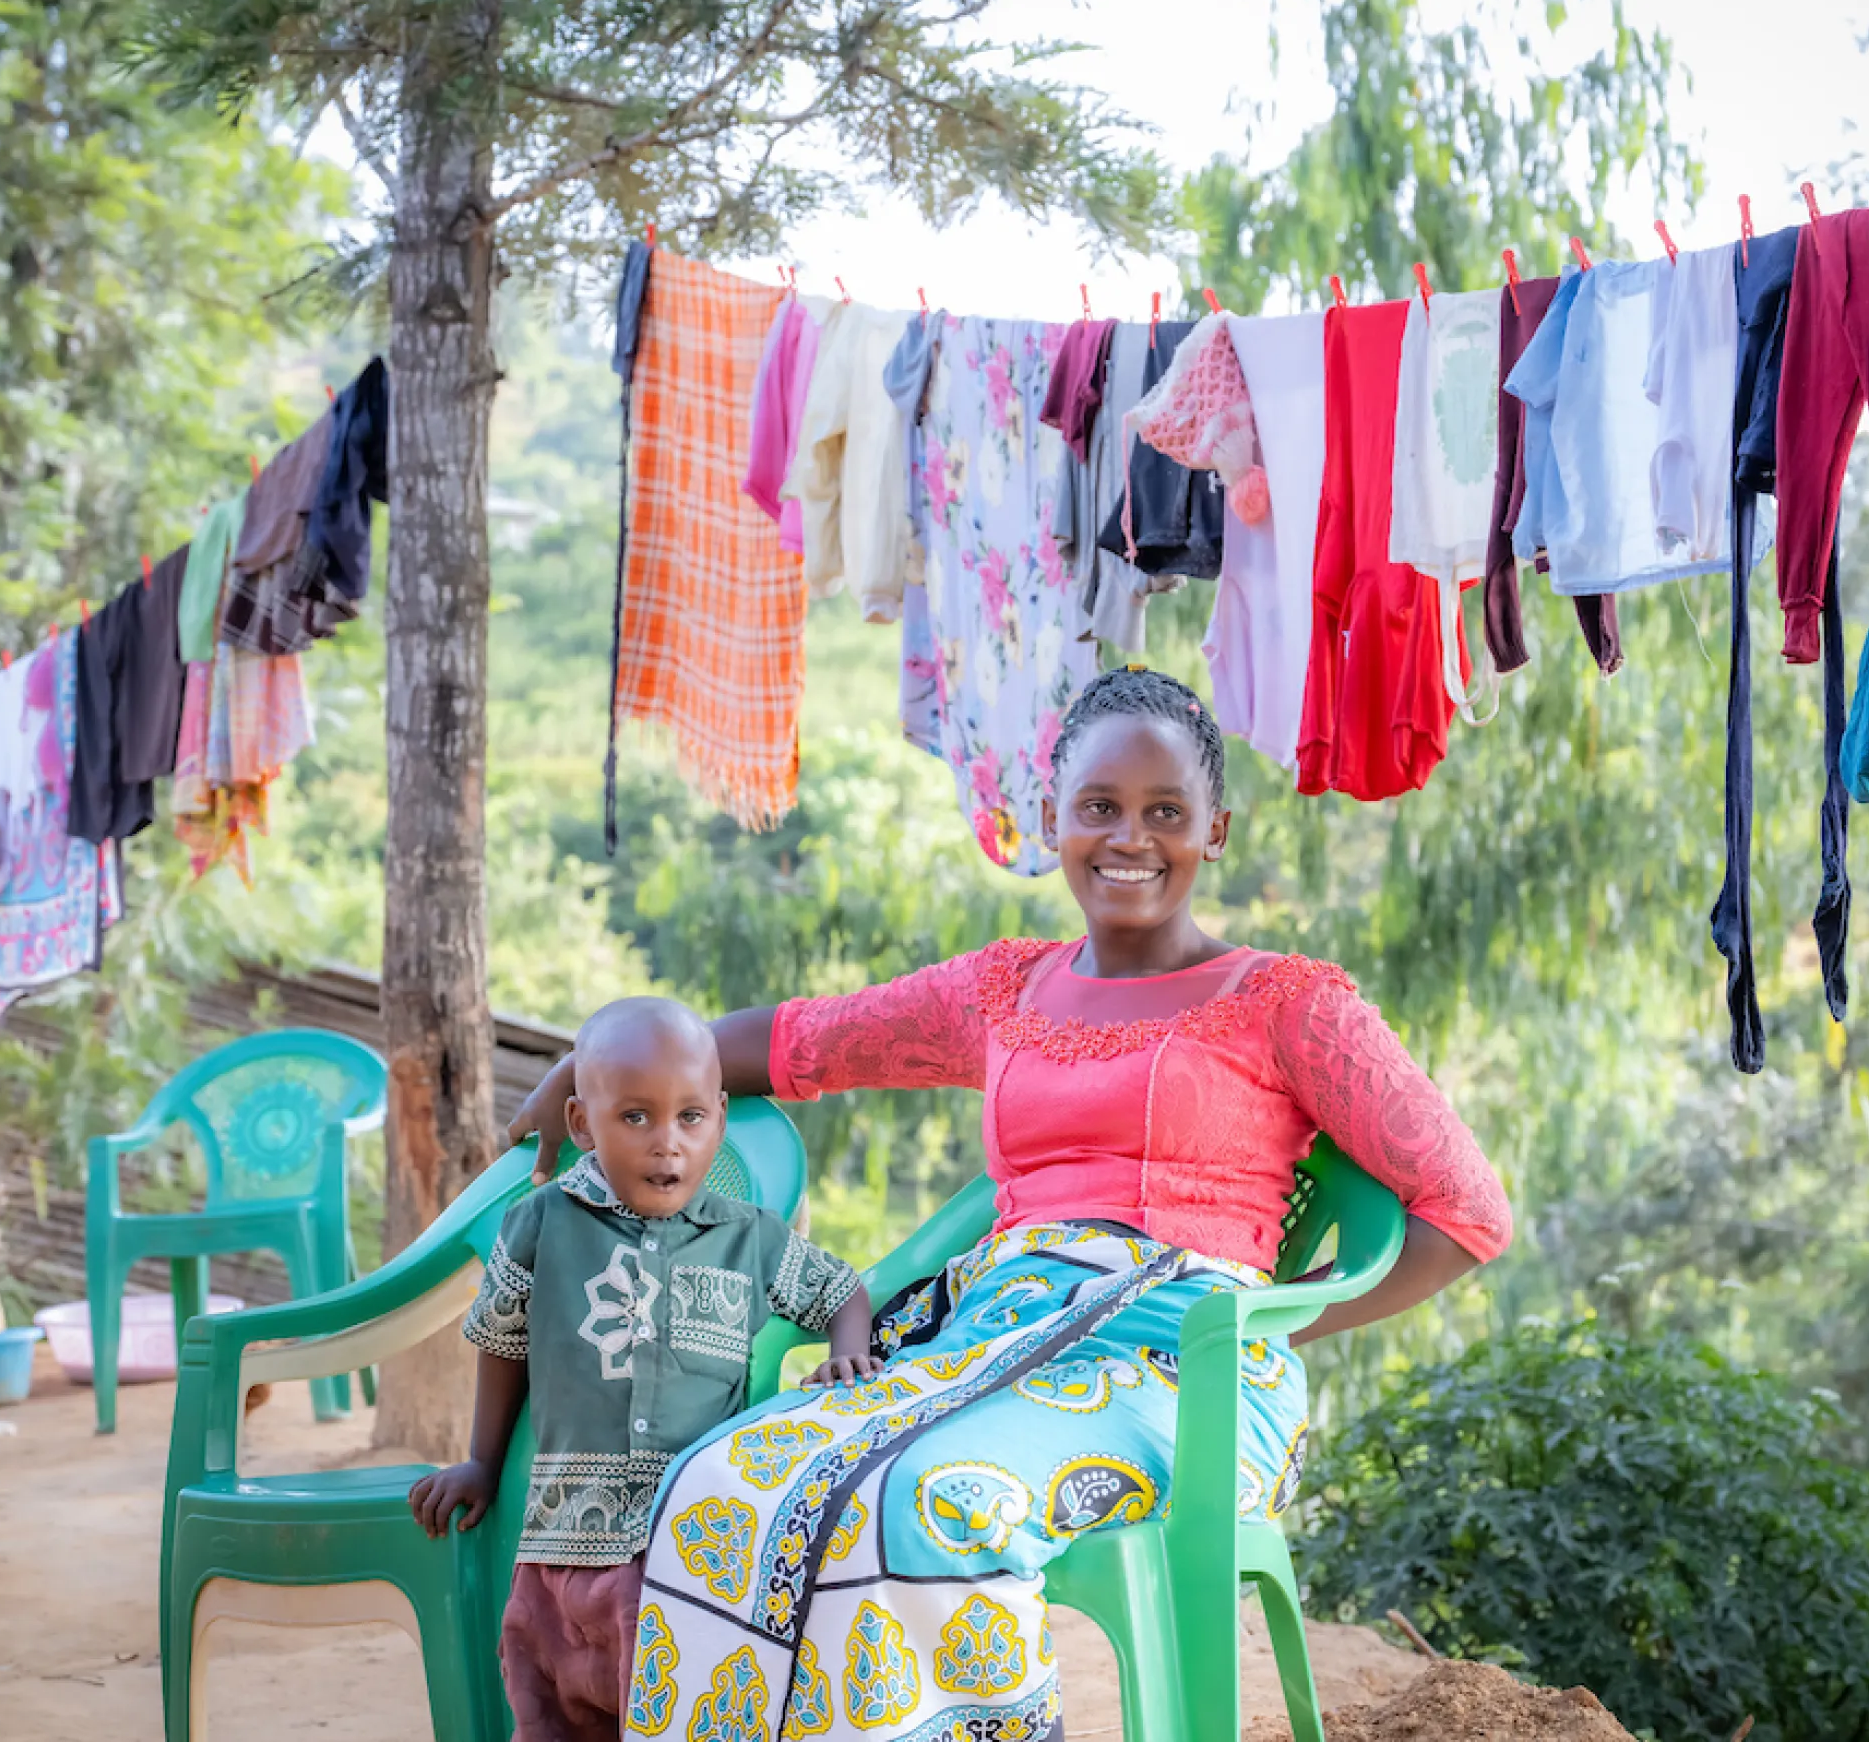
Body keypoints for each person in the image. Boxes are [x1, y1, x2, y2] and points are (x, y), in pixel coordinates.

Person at [503, 667, 1513, 1742]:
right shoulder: (1005, 990)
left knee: (933, 1502)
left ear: (1215, 829)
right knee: (717, 1484)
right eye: (1100, 807)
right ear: (1050, 820)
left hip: (1182, 1369)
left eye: (1165, 811)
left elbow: (1466, 1208)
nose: (1132, 837)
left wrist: (1267, 1323)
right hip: (986, 1341)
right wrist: (589, 1064)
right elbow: (801, 1042)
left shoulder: (1286, 1001)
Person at [413, 996, 876, 1742]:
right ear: (581, 1125)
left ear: (719, 1120)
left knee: (671, 1719)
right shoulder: (540, 1225)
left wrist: (845, 1350)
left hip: (680, 1562)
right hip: (555, 1557)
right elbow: (501, 1342)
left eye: (690, 1119)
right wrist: (478, 1463)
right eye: (635, 1118)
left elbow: (842, 1290)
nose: (667, 1145)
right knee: (546, 1715)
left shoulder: (748, 1238)